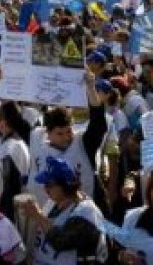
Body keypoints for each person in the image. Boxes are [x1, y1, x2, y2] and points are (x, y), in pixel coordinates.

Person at [26, 71, 106, 206]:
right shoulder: (37, 140)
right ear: (48, 132)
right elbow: (14, 119)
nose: (66, 137)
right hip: (51, 216)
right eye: (60, 133)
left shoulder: (83, 143)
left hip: (85, 215)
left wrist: (91, 89)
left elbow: (98, 124)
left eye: (68, 131)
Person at [20, 156, 107, 265]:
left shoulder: (87, 211)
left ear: (66, 184)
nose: (45, 189)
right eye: (45, 184)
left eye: (50, 185)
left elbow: (61, 241)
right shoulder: (52, 203)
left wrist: (38, 216)